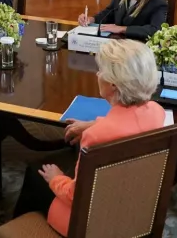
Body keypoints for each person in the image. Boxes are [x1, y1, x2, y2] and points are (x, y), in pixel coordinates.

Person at [12, 39, 166, 236]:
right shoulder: (156, 112)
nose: (97, 74)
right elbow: (128, 124)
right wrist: (93, 124)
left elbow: (76, 196)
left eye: (101, 70)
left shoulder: (97, 137)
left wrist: (56, 178)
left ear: (112, 84)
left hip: (92, 225)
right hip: (137, 211)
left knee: (36, 174)